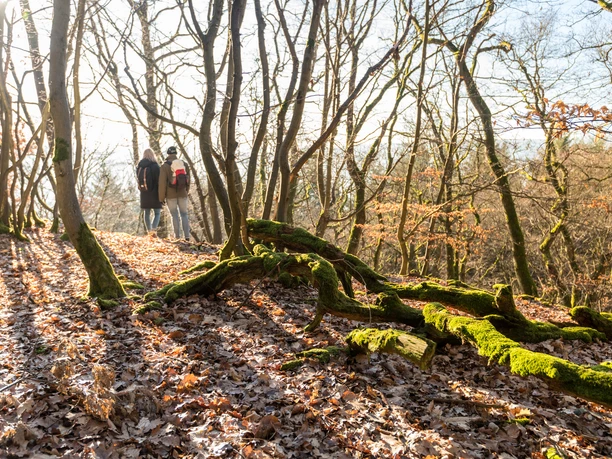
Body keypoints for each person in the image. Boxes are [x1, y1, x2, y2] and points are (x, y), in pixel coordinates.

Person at [159, 146, 190, 240]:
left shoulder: (164, 166)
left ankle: (177, 237)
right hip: (183, 193)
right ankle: (187, 236)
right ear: (176, 153)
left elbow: (162, 183)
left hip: (170, 195)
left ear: (168, 154)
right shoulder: (184, 164)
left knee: (174, 215)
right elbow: (188, 180)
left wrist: (161, 198)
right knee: (184, 214)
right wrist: (186, 191)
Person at [136, 148, 162, 235]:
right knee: (157, 213)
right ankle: (153, 232)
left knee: (146, 213)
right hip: (154, 193)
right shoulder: (155, 166)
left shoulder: (139, 167)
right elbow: (159, 180)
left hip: (144, 193)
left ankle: (149, 231)